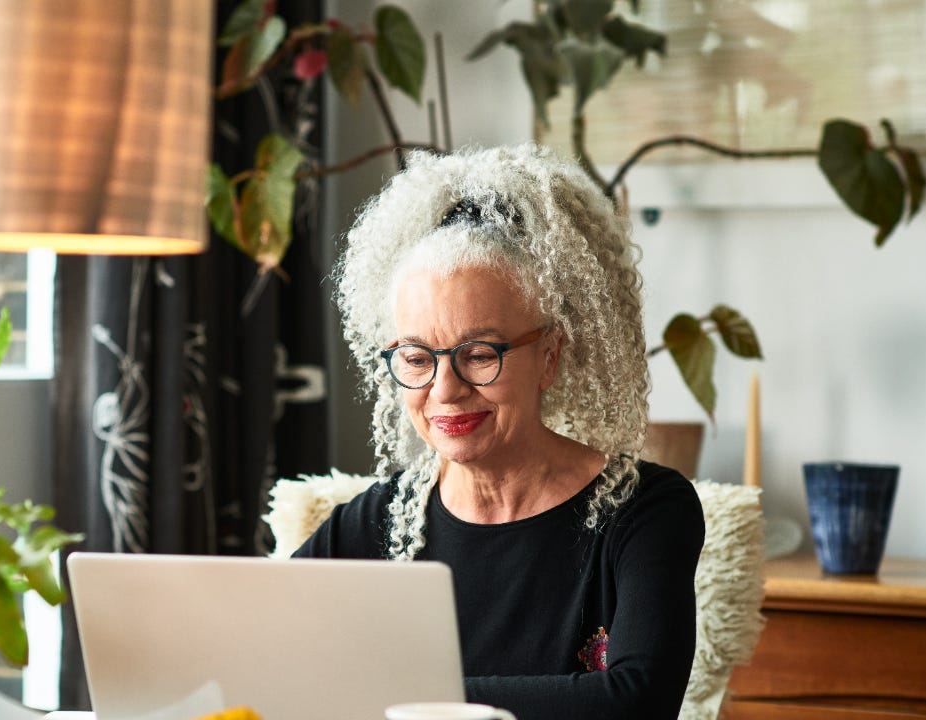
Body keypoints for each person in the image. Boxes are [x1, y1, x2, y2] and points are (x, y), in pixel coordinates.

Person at [294, 144, 705, 720]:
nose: (446, 389)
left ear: (551, 356)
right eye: (416, 357)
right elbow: (265, 658)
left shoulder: (643, 511)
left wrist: (403, 699)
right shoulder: (374, 526)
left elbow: (636, 701)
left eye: (480, 354)